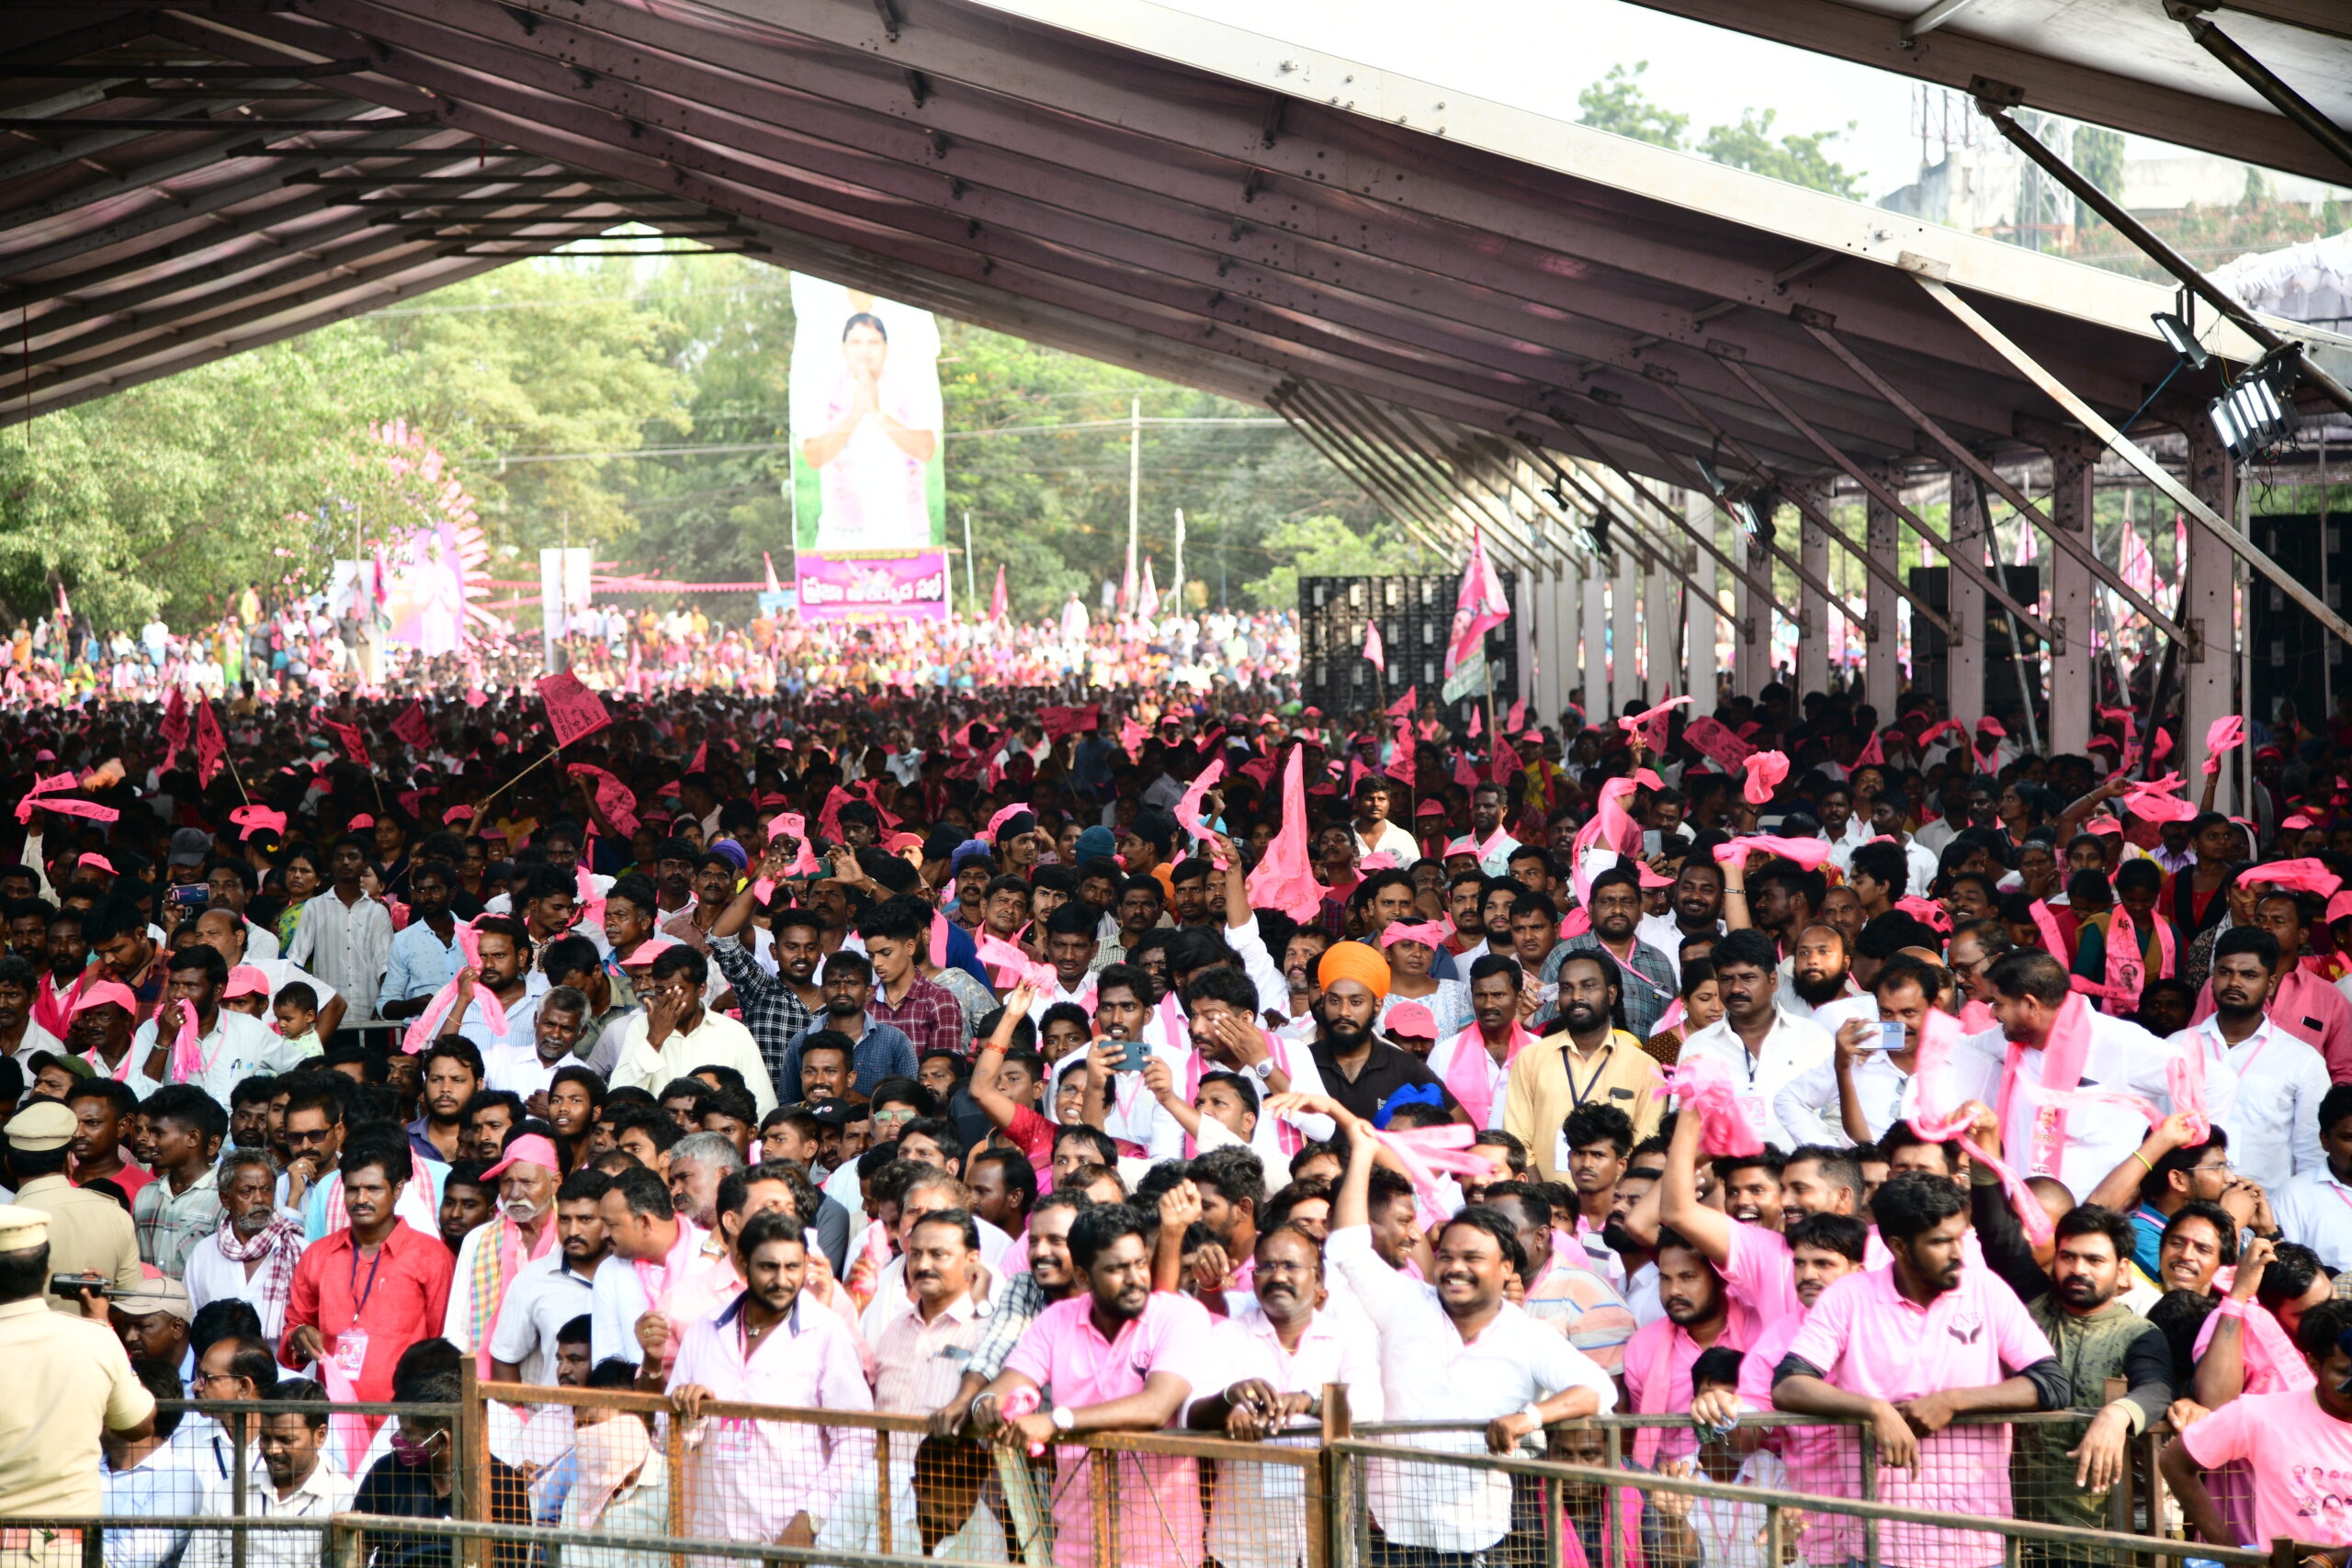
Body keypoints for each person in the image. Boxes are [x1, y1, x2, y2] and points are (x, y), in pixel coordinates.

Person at [1306, 1089, 1615, 1565]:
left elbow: (1597, 1388)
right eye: (1446, 1256)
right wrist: (1363, 1151)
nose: (1454, 1268)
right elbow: (1347, 1249)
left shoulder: (1526, 1335)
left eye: (1472, 1258)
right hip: (1389, 1538)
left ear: (1507, 1266)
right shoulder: (1407, 1302)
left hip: (1477, 1540)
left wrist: (1527, 1419)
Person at [1773, 1172, 2071, 1567]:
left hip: (1976, 1545)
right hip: (1877, 1546)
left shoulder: (1986, 1289)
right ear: (1899, 1247)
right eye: (1940, 1242)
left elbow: (2051, 1384)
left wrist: (1952, 1402)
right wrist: (1874, 1410)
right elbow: (1788, 1384)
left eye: (1960, 1237)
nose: (1958, 1253)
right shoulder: (1848, 1296)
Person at [972, 1201, 1217, 1568]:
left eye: (1139, 1263)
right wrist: (989, 1406)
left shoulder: (1179, 1315)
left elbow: (1156, 1408)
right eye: (1117, 1269)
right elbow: (1008, 1382)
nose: (1135, 1278)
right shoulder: (1057, 1319)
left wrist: (1056, 1421)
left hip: (1163, 1549)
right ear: (1084, 1278)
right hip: (1076, 1545)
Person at [666, 1209, 873, 1549]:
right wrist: (688, 1413)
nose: (783, 1280)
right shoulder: (705, 1328)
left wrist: (811, 1518)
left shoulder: (826, 1332)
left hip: (791, 1537)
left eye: (793, 1266)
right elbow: (665, 1434)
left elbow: (857, 1439)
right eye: (768, 1267)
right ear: (743, 1264)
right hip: (710, 1535)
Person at [1186, 1224, 1385, 1568]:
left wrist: (1311, 1401)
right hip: (1245, 1545)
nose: (1277, 1276)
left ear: (1319, 1279)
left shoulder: (1349, 1337)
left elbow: (1370, 1408)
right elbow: (1191, 1413)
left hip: (1327, 1540)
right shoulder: (1227, 1336)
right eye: (1265, 1266)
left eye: (1290, 1266)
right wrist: (1228, 1404)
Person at [0, 1202, 157, 1514]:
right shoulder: (96, 1339)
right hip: (69, 1546)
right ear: (46, 1272)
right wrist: (100, 1326)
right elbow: (138, 1425)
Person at [2163, 1298, 2352, 1553]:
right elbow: (2174, 1462)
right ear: (2314, 1366)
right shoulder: (2259, 1414)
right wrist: (2231, 1554)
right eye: (2344, 1373)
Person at [282, 1128, 456, 1404]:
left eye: (373, 1189)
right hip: (333, 1416)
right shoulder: (318, 1256)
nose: (361, 1199)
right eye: (353, 1189)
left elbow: (443, 1343)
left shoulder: (432, 1256)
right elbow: (293, 1330)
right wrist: (298, 1337)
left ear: (397, 1189)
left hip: (405, 1417)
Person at [353, 1356, 532, 1568]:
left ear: (441, 1440)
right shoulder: (386, 1471)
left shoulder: (505, 1486)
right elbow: (354, 1545)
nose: (397, 1439)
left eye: (409, 1434)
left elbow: (510, 1561)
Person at [1502, 951, 1664, 1179]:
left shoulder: (1646, 1068)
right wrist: (1547, 1201)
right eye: (1567, 988)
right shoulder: (1530, 1058)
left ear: (1611, 994)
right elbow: (1517, 1143)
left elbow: (1645, 1153)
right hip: (1543, 1204)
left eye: (1588, 986)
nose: (1577, 996)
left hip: (1616, 1207)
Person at [1672, 929, 1834, 1151]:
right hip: (1725, 1178)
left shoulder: (1813, 1038)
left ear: (1773, 980)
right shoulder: (1698, 1046)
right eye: (1726, 979)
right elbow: (1683, 1122)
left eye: (1748, 978)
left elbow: (1836, 1115)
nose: (1736, 988)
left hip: (1801, 1175)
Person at [184, 1377, 356, 1568]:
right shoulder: (227, 1493)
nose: (272, 1449)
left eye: (286, 1440)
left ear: (320, 1436)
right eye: (265, 1438)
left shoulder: (344, 1499)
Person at [6, 1097, 142, 1308]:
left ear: (9, 1165)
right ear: (70, 1162)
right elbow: (133, 1304)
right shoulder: (115, 1214)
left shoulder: (6, 1225)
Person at [182, 1149, 304, 1340]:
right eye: (247, 1191)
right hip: (217, 1368)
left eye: (266, 1189)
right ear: (225, 1199)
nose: (259, 1199)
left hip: (282, 1367)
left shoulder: (300, 1250)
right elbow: (190, 1320)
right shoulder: (204, 1253)